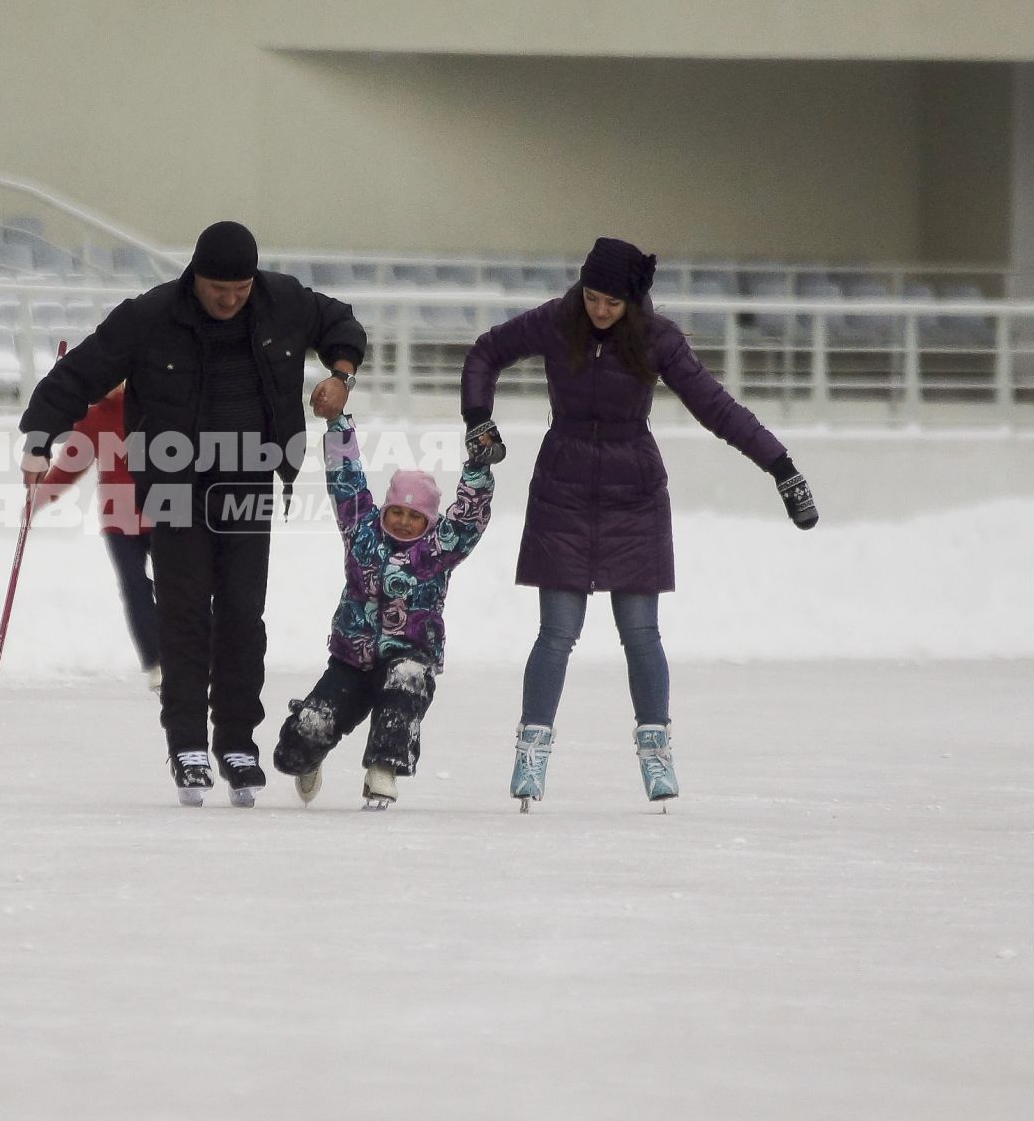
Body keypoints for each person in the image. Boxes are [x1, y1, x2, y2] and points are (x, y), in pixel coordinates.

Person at [459, 236, 819, 810]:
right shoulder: (558, 321)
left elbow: (717, 407)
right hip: (563, 487)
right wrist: (478, 421)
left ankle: (655, 749)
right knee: (557, 632)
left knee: (640, 632)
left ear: (634, 303)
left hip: (635, 491)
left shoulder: (657, 340)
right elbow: (485, 353)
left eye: (612, 304)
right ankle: (531, 751)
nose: (600, 312)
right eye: (593, 298)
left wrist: (782, 467)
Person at [19, 220, 367, 806]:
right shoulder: (151, 315)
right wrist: (37, 438)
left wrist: (340, 375)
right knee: (182, 614)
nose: (230, 300)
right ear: (195, 277)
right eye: (217, 289)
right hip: (174, 481)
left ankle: (236, 740)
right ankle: (186, 742)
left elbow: (341, 322)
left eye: (240, 289)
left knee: (241, 614)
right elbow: (80, 371)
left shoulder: (282, 300)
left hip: (249, 476)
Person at [273, 413, 494, 810]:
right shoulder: (361, 529)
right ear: (385, 509)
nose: (405, 522)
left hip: (407, 655)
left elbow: (469, 516)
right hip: (351, 661)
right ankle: (308, 755)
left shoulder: (439, 548)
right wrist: (337, 423)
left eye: (416, 517)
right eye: (398, 512)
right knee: (302, 738)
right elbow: (346, 479)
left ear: (429, 522)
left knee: (406, 683)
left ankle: (383, 769)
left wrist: (478, 465)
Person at [30, 385, 161, 689]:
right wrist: (39, 498)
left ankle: (199, 653)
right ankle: (156, 661)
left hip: (162, 517)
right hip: (119, 522)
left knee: (181, 588)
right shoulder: (94, 418)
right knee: (134, 587)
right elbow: (69, 466)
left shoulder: (156, 404)